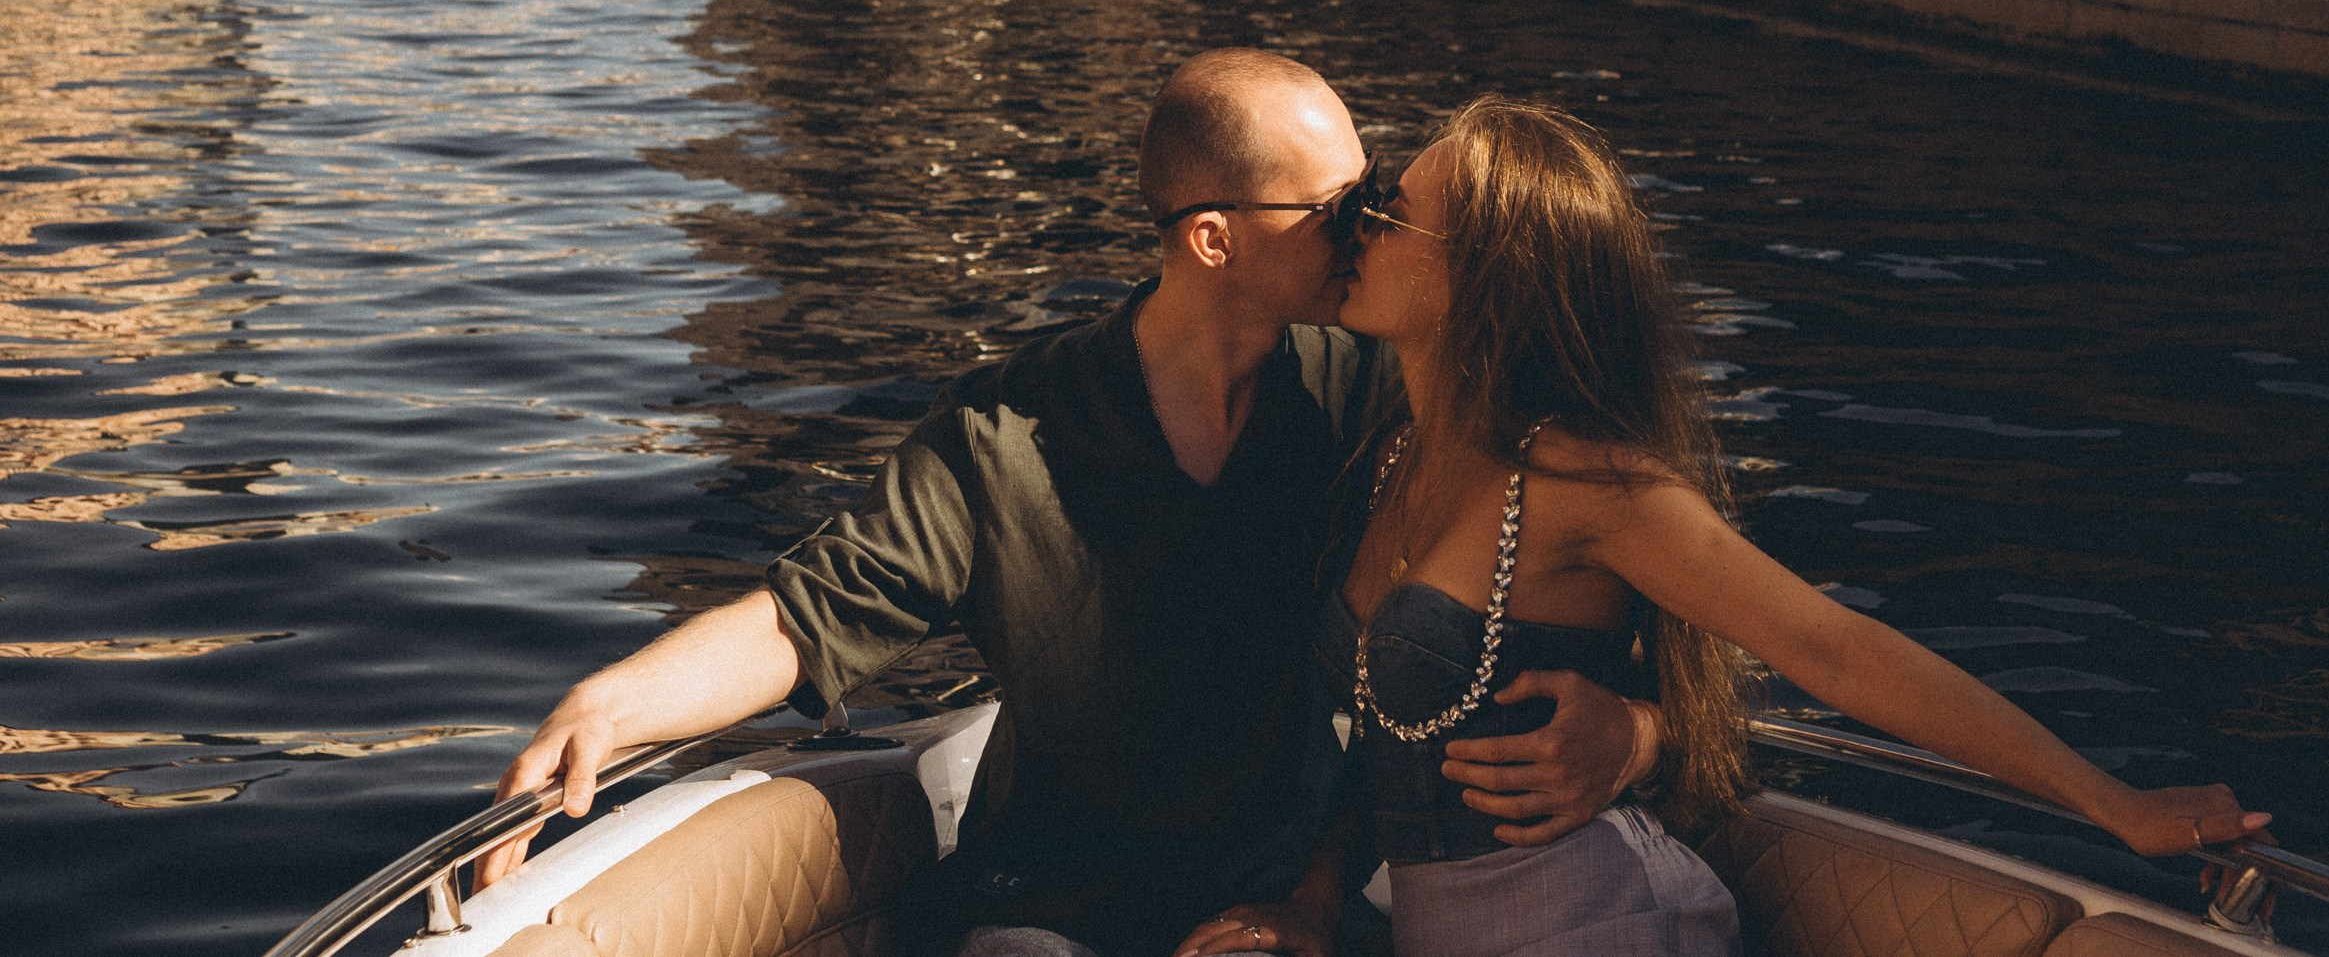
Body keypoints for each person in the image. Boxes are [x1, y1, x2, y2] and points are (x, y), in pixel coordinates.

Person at [478, 53, 1664, 957]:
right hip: (1045, 902)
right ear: (1212, 238)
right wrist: (613, 704)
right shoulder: (1005, 427)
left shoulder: (1380, 395)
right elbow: (807, 620)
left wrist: (1638, 733)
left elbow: (1590, 567)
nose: (1371, 232)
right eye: (1338, 209)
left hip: (1281, 897)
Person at [1178, 97, 2273, 957]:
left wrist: (2109, 802)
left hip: (1598, 927)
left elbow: (1832, 648)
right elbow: (1379, 751)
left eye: (1390, 209)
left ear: (1482, 278)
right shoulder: (1388, 458)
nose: (1356, 225)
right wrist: (1313, 903)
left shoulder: (1580, 482)